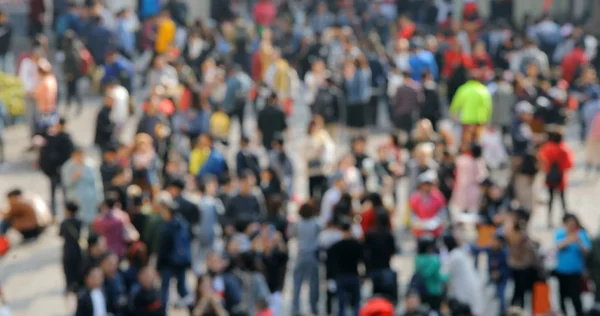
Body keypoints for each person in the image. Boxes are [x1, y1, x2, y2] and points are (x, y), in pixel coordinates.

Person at [156, 192, 193, 311]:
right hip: (181, 261)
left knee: (165, 288)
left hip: (168, 262)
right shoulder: (183, 223)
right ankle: (192, 308)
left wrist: (158, 265)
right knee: (182, 287)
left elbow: (163, 248)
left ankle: (163, 311)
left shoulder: (167, 227)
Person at [554, 214, 590, 315]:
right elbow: (558, 246)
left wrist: (579, 241)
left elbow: (587, 251)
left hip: (575, 271)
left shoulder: (581, 234)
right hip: (562, 271)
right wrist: (569, 240)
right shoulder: (560, 234)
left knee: (576, 297)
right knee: (562, 296)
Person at [537, 132, 575, 227]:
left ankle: (549, 220)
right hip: (561, 179)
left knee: (550, 199)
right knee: (563, 200)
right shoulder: (564, 149)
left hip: (549, 178)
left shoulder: (546, 149)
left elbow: (540, 161)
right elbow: (569, 164)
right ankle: (566, 220)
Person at [39, 118, 75, 216]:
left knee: (62, 194)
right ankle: (56, 214)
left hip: (59, 170)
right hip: (55, 170)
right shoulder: (54, 137)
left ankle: (63, 213)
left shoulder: (63, 138)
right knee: (59, 194)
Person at [329, 219, 364, 316]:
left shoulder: (335, 247)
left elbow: (331, 263)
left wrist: (331, 277)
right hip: (354, 275)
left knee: (341, 304)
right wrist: (364, 275)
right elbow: (363, 260)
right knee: (356, 303)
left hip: (341, 276)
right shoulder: (357, 245)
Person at [291, 203, 321, 315]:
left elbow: (291, 234)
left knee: (297, 283)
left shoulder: (297, 224)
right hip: (312, 255)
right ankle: (313, 307)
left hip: (300, 255)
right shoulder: (316, 223)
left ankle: (295, 308)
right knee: (313, 283)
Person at [61, 147, 104, 224]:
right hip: (75, 199)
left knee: (91, 220)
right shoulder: (67, 167)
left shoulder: (91, 165)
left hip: (90, 199)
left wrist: (99, 197)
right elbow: (65, 184)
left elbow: (97, 182)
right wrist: (74, 178)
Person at [444, 234, 484, 316]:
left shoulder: (454, 256)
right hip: (469, 287)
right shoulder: (458, 253)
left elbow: (444, 274)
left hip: (466, 290)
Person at [364, 211, 397, 301]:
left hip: (373, 267)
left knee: (375, 293)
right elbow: (393, 250)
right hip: (385, 266)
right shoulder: (388, 234)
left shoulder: (370, 233)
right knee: (386, 294)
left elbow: (366, 251)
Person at [450, 76, 492, 142]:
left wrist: (453, 114)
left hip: (466, 118)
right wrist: (487, 118)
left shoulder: (463, 89)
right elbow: (488, 106)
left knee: (466, 140)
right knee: (477, 140)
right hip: (480, 119)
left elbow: (455, 104)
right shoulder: (483, 90)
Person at [412, 238, 447, 312]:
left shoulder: (418, 259)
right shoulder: (435, 260)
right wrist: (448, 276)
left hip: (421, 290)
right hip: (434, 291)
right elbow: (438, 277)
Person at [450, 144, 487, 213]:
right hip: (462, 188)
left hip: (472, 189)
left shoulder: (478, 161)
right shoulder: (463, 160)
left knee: (472, 212)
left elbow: (482, 177)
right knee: (458, 210)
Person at [59, 202, 83, 294]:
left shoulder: (65, 223)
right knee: (78, 268)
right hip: (78, 249)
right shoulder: (80, 221)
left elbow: (60, 234)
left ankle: (69, 286)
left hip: (68, 249)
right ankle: (77, 285)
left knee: (68, 269)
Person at [62, 30, 84, 115]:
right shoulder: (74, 45)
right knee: (71, 91)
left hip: (72, 74)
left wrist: (71, 73)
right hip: (72, 73)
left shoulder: (72, 48)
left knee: (73, 91)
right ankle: (69, 106)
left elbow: (75, 61)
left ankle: (75, 106)